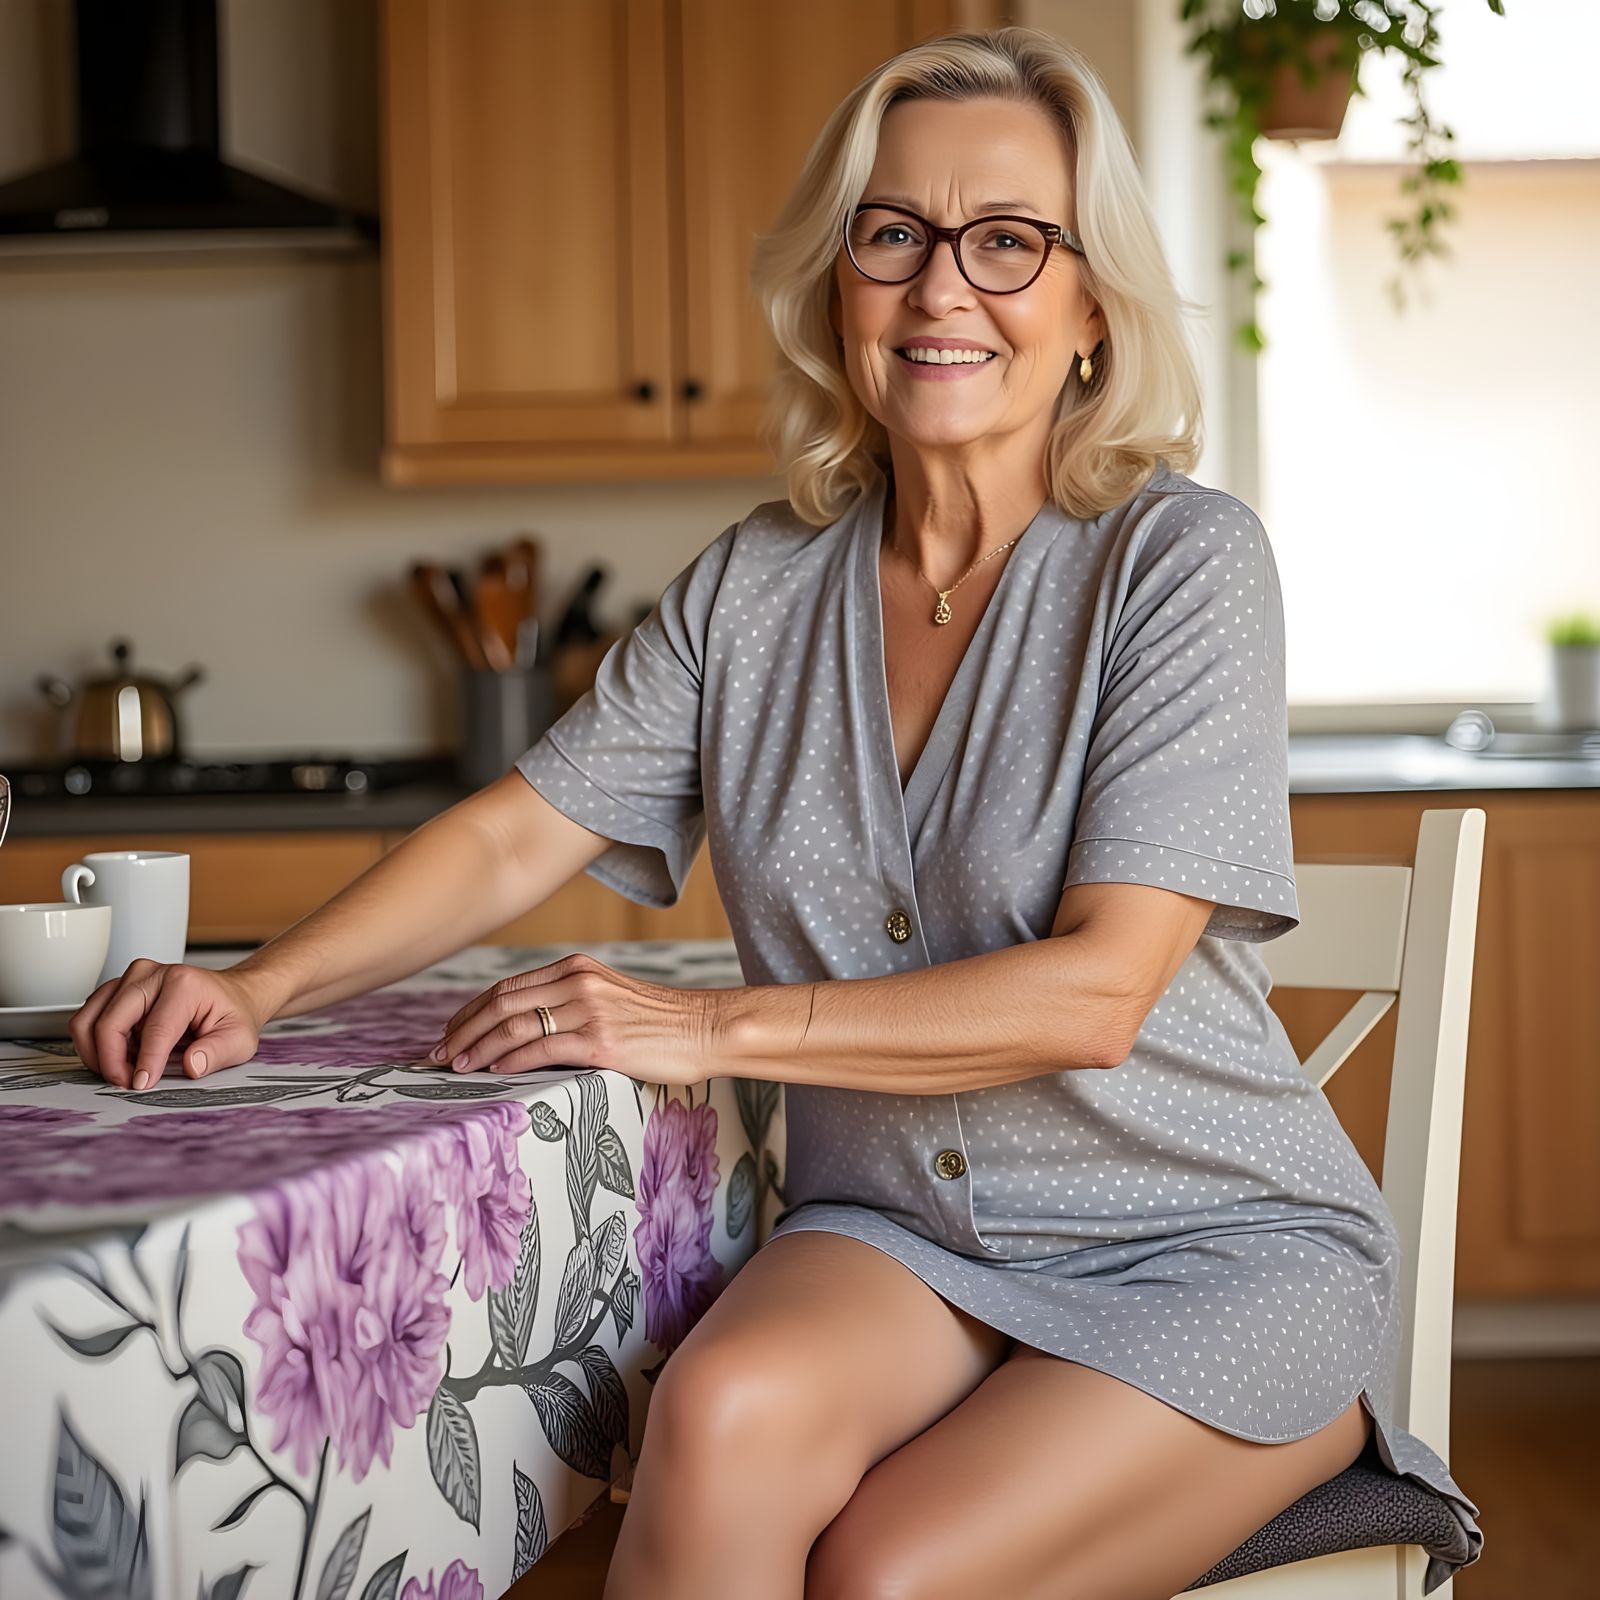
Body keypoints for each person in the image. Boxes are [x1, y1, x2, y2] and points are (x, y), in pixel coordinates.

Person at [71, 25, 1483, 1600]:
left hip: (1213, 1253)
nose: (944, 286)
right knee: (717, 1417)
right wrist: (257, 982)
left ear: (1093, 310)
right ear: (839, 288)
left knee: (884, 1572)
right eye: (895, 235)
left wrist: (707, 1030)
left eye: (1008, 241)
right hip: (902, 1240)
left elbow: (1096, 998)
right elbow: (513, 830)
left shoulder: (1179, 565)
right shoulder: (759, 585)